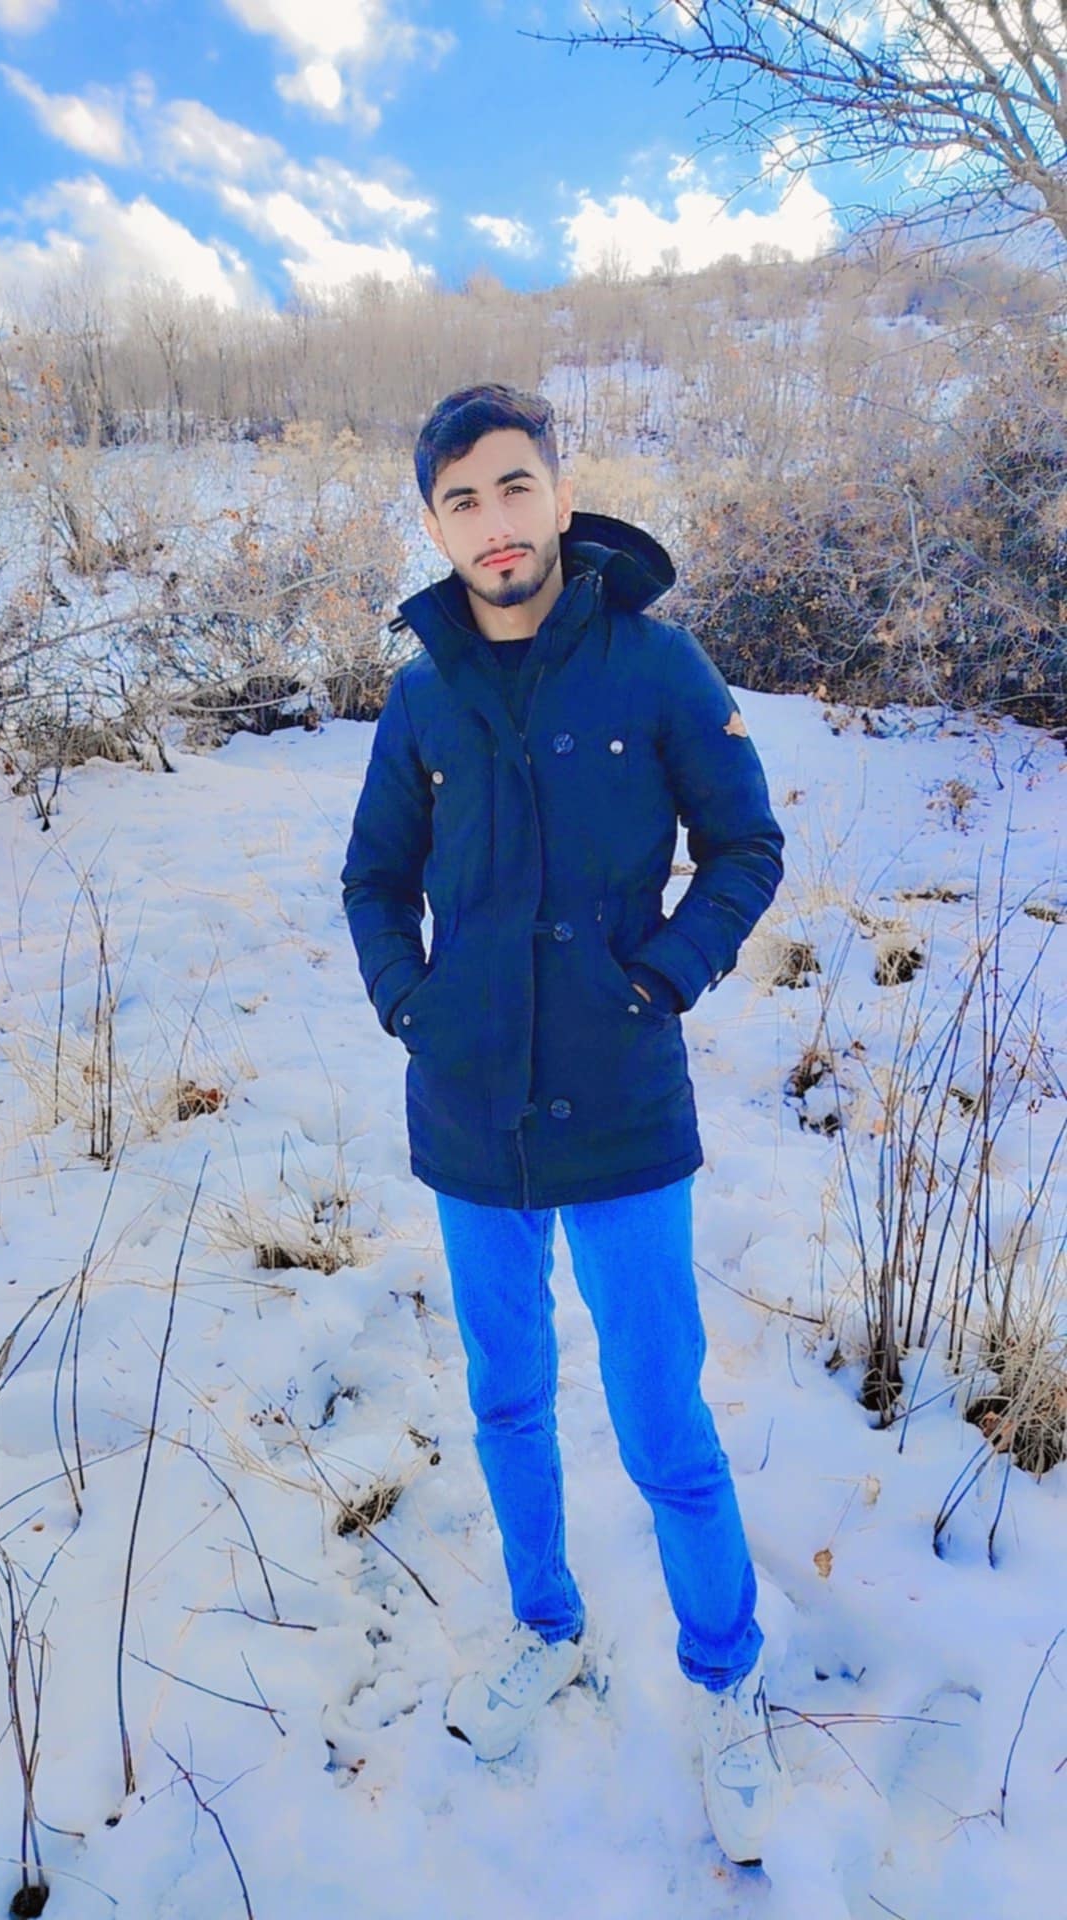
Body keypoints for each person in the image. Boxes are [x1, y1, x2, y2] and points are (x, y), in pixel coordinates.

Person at [341, 383, 789, 1865]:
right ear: (435, 524)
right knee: (507, 1399)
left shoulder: (656, 664)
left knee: (663, 1416)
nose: (494, 523)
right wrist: (410, 1002)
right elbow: (372, 876)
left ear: (559, 493)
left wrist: (663, 975)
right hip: (470, 1108)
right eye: (460, 500)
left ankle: (726, 1677)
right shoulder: (423, 695)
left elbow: (745, 844)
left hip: (620, 1100)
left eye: (513, 486)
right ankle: (548, 1626)